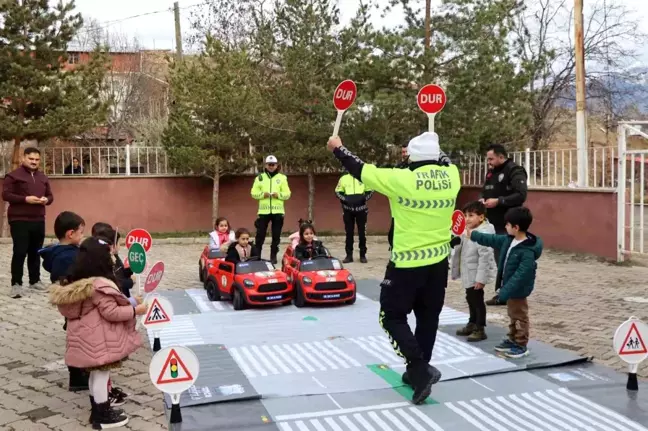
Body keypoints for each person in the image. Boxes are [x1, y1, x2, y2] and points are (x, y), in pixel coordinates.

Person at [327, 132, 460, 405]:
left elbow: (361, 170)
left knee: (391, 317)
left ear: (411, 157)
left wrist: (338, 149)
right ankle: (417, 370)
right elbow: (446, 159)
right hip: (438, 262)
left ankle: (419, 368)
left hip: (407, 263)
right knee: (427, 317)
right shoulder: (453, 176)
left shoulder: (401, 179)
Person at [48, 237, 147, 429]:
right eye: (109, 255)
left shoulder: (79, 283)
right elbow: (112, 312)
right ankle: (103, 416)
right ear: (99, 260)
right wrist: (136, 310)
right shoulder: (100, 286)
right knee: (101, 375)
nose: (112, 258)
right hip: (100, 340)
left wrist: (131, 302)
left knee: (95, 375)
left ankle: (96, 410)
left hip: (87, 339)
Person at [466, 207, 543, 358]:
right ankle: (512, 338)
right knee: (513, 314)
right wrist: (472, 235)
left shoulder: (527, 251)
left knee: (520, 316)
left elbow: (521, 275)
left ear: (516, 227)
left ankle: (521, 344)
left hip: (518, 290)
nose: (505, 227)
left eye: (507, 225)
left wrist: (504, 292)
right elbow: (491, 240)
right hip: (509, 288)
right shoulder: (510, 240)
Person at [39, 211, 87, 392]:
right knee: (79, 340)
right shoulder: (69, 257)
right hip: (76, 303)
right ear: (70, 234)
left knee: (74, 338)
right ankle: (78, 375)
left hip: (69, 305)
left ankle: (78, 373)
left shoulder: (57, 253)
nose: (83, 236)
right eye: (81, 232)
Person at [480, 144, 528, 306]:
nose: (489, 162)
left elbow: (521, 195)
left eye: (491, 158)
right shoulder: (491, 172)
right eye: (488, 159)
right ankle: (504, 292)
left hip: (509, 224)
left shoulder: (514, 171)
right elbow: (487, 191)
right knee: (500, 259)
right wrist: (484, 201)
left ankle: (507, 294)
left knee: (508, 260)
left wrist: (499, 201)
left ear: (502, 157)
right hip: (494, 224)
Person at [3, 147, 54, 298]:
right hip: (19, 220)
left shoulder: (43, 177)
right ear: (24, 158)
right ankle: (16, 284)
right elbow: (5, 195)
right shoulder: (13, 176)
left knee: (35, 252)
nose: (34, 162)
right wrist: (25, 199)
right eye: (31, 159)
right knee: (20, 252)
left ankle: (35, 280)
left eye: (37, 159)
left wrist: (46, 200)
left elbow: (50, 196)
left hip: (38, 219)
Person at [450, 201, 497, 342]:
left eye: (471, 215)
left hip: (476, 274)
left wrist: (481, 279)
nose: (467, 219)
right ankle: (472, 323)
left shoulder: (483, 234)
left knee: (477, 301)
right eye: (465, 215)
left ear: (481, 217)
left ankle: (480, 328)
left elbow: (486, 258)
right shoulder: (467, 230)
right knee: (470, 298)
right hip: (469, 272)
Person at [250, 155, 292, 264]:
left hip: (278, 211)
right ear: (265, 165)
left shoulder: (282, 178)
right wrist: (262, 195)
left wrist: (278, 195)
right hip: (264, 212)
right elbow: (253, 193)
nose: (271, 166)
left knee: (276, 235)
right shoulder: (259, 178)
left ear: (277, 165)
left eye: (273, 165)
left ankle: (273, 256)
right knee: (260, 235)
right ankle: (257, 255)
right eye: (269, 164)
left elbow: (287, 194)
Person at [335, 171, 373, 263]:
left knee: (362, 233)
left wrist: (363, 198)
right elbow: (337, 191)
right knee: (349, 233)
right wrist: (345, 199)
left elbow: (371, 190)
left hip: (361, 210)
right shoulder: (344, 178)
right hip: (348, 210)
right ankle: (349, 255)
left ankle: (362, 255)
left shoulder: (363, 177)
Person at [387, 143, 410, 250]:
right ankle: (394, 247)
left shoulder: (416, 168)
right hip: (398, 206)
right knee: (393, 233)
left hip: (412, 207)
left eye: (406, 152)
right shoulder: (398, 168)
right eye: (403, 152)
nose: (404, 154)